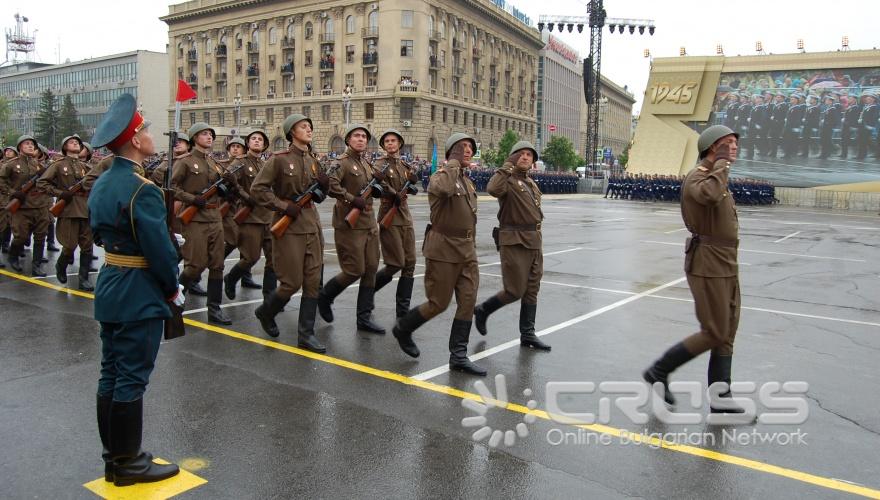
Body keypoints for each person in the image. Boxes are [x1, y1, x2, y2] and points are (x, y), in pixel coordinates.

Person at [87, 93, 181, 486]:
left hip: (111, 283)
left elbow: (99, 233)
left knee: (111, 372)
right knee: (131, 377)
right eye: (146, 131)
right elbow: (159, 252)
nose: (151, 136)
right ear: (136, 141)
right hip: (138, 291)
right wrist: (172, 287)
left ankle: (114, 458)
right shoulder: (143, 189)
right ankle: (129, 464)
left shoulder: (103, 182)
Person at [642, 125, 746, 415]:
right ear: (712, 147)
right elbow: (710, 196)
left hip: (726, 261)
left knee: (727, 331)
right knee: (715, 331)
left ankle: (721, 397)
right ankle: (659, 370)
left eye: (735, 143)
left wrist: (721, 167)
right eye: (728, 143)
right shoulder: (698, 178)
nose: (734, 147)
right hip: (708, 262)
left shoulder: (716, 176)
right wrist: (722, 164)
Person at [391, 133, 485, 375]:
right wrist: (452, 163)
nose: (468, 150)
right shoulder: (441, 176)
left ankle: (459, 356)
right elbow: (442, 189)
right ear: (451, 152)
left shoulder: (467, 181)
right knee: (438, 303)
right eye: (462, 147)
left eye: (470, 147)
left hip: (467, 251)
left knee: (468, 301)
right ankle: (403, 328)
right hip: (443, 249)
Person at [251, 114, 330, 352]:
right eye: (303, 126)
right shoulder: (279, 159)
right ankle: (266, 312)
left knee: (313, 282)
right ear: (291, 132)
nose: (309, 129)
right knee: (291, 283)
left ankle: (306, 335)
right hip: (289, 226)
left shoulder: (314, 160)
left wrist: (323, 187)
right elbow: (258, 189)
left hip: (311, 224)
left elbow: (318, 195)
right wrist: (283, 206)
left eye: (310, 126)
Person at [474, 140, 552, 351]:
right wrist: (507, 166)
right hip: (515, 240)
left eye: (529, 154)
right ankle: (483, 310)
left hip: (534, 240)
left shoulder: (531, 182)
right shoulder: (506, 179)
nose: (525, 157)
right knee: (514, 290)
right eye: (521, 153)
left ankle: (528, 334)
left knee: (532, 289)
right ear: (513, 157)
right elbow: (492, 188)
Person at [318, 124, 385, 334]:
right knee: (354, 270)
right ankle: (325, 296)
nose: (361, 139)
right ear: (348, 140)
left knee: (371, 269)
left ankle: (364, 318)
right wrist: (351, 198)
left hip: (369, 222)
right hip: (349, 223)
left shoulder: (365, 162)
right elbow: (331, 185)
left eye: (364, 136)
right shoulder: (341, 162)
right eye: (356, 136)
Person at [171, 122, 237, 324]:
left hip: (215, 216)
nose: (209, 137)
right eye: (204, 134)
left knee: (217, 264)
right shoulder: (185, 161)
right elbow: (173, 188)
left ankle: (214, 309)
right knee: (195, 266)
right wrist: (192, 199)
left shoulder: (213, 162)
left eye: (211, 134)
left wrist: (230, 184)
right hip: (195, 219)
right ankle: (175, 301)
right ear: (194, 138)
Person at [36, 134, 95, 290]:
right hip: (69, 209)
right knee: (69, 245)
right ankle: (61, 265)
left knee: (87, 246)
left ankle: (83, 279)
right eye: (71, 142)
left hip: (86, 209)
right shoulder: (58, 165)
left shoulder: (86, 167)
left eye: (77, 142)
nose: (75, 143)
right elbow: (42, 183)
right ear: (64, 147)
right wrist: (60, 193)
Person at [372, 129, 420, 318]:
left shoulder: (404, 165)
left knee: (410, 262)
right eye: (387, 141)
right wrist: (394, 193)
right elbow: (379, 183)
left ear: (400, 143)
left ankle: (403, 310)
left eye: (393, 140)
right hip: (389, 213)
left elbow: (407, 186)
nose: (390, 143)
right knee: (396, 263)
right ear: (384, 146)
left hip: (404, 214)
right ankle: (368, 292)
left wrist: (411, 186)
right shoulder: (379, 164)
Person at [224, 130, 277, 300]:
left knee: (273, 258)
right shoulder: (240, 161)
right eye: (253, 138)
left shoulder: (265, 164)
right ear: (248, 143)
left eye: (260, 139)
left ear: (265, 144)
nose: (257, 141)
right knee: (251, 257)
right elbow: (228, 179)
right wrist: (245, 197)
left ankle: (270, 297)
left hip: (268, 216)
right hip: (250, 217)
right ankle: (231, 278)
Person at [0, 135, 52, 275]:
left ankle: (37, 265)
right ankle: (13, 256)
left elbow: (48, 182)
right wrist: (13, 193)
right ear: (20, 147)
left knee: (40, 236)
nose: (30, 146)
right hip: (21, 207)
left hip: (40, 206)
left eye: (32, 144)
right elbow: (1, 180)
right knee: (21, 237)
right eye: (27, 143)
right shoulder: (11, 164)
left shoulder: (39, 165)